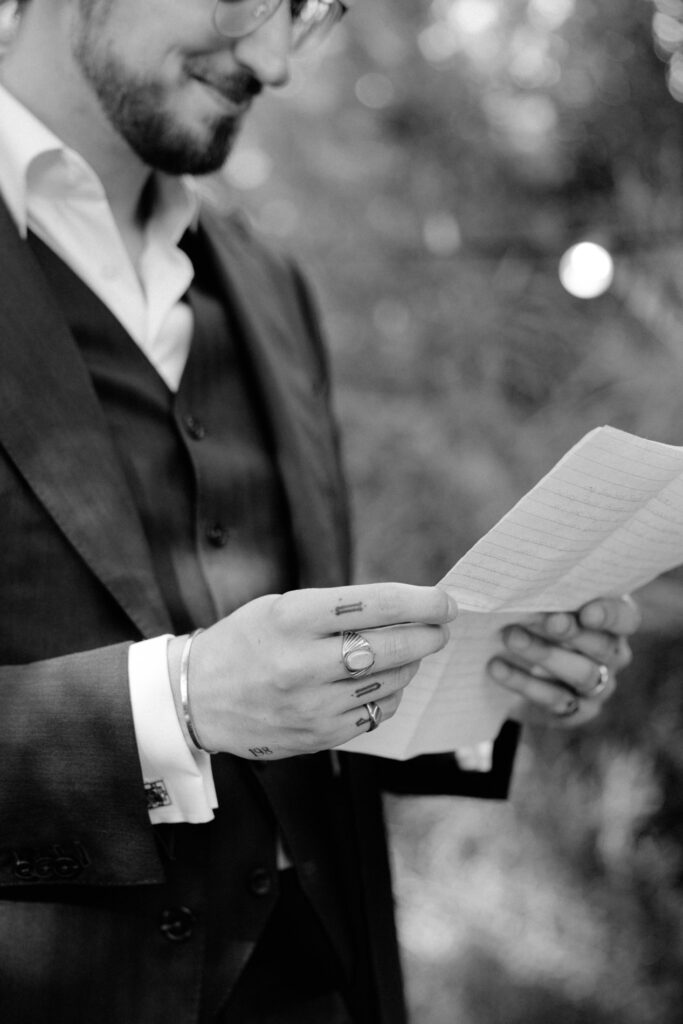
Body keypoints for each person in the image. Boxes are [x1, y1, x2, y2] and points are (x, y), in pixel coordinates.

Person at [0, 1, 640, 1022]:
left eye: (309, 10)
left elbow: (291, 679)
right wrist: (184, 703)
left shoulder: (267, 282)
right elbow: (217, 692)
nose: (275, 59)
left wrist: (480, 677)